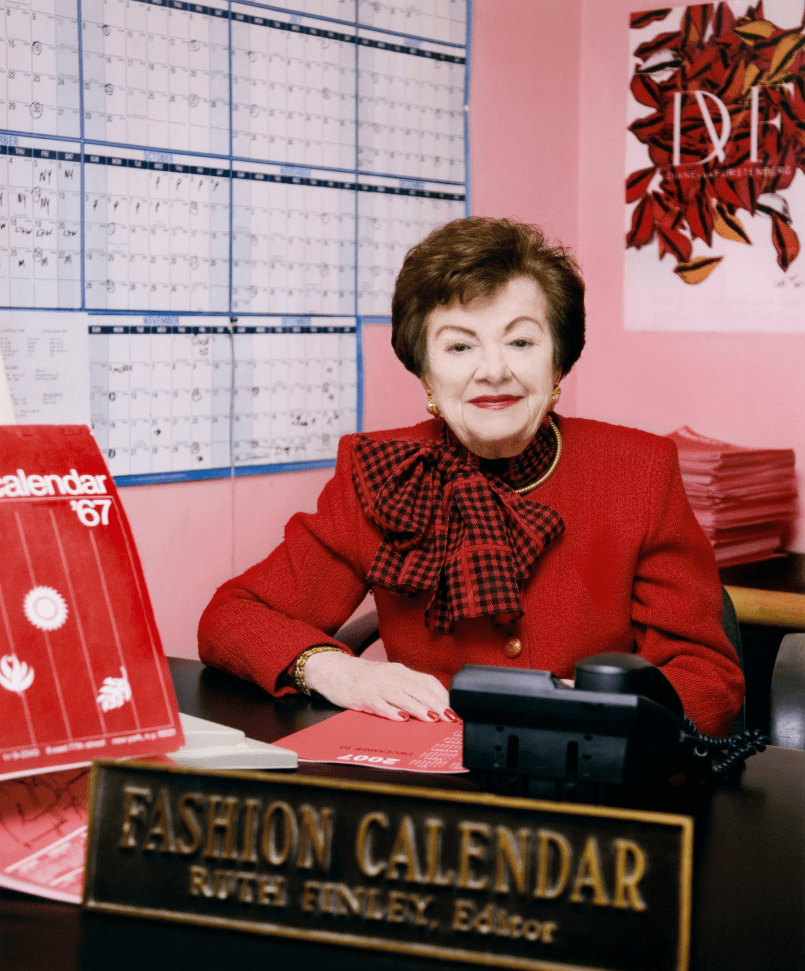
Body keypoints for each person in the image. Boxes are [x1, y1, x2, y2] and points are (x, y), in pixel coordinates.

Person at [198, 218, 744, 737]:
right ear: (425, 371)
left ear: (558, 362)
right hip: (428, 775)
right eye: (459, 346)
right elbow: (232, 617)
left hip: (584, 768)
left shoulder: (639, 470)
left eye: (521, 342)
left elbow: (709, 679)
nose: (493, 371)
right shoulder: (384, 473)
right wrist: (339, 671)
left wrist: (591, 712)